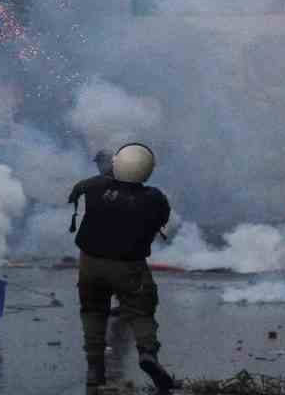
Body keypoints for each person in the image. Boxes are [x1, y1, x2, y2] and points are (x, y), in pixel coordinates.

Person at [68, 143, 175, 391]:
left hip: (90, 263)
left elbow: (80, 194)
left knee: (93, 312)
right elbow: (161, 219)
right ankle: (148, 353)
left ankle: (95, 369)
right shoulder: (154, 197)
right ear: (147, 170)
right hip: (128, 266)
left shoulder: (93, 186)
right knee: (140, 312)